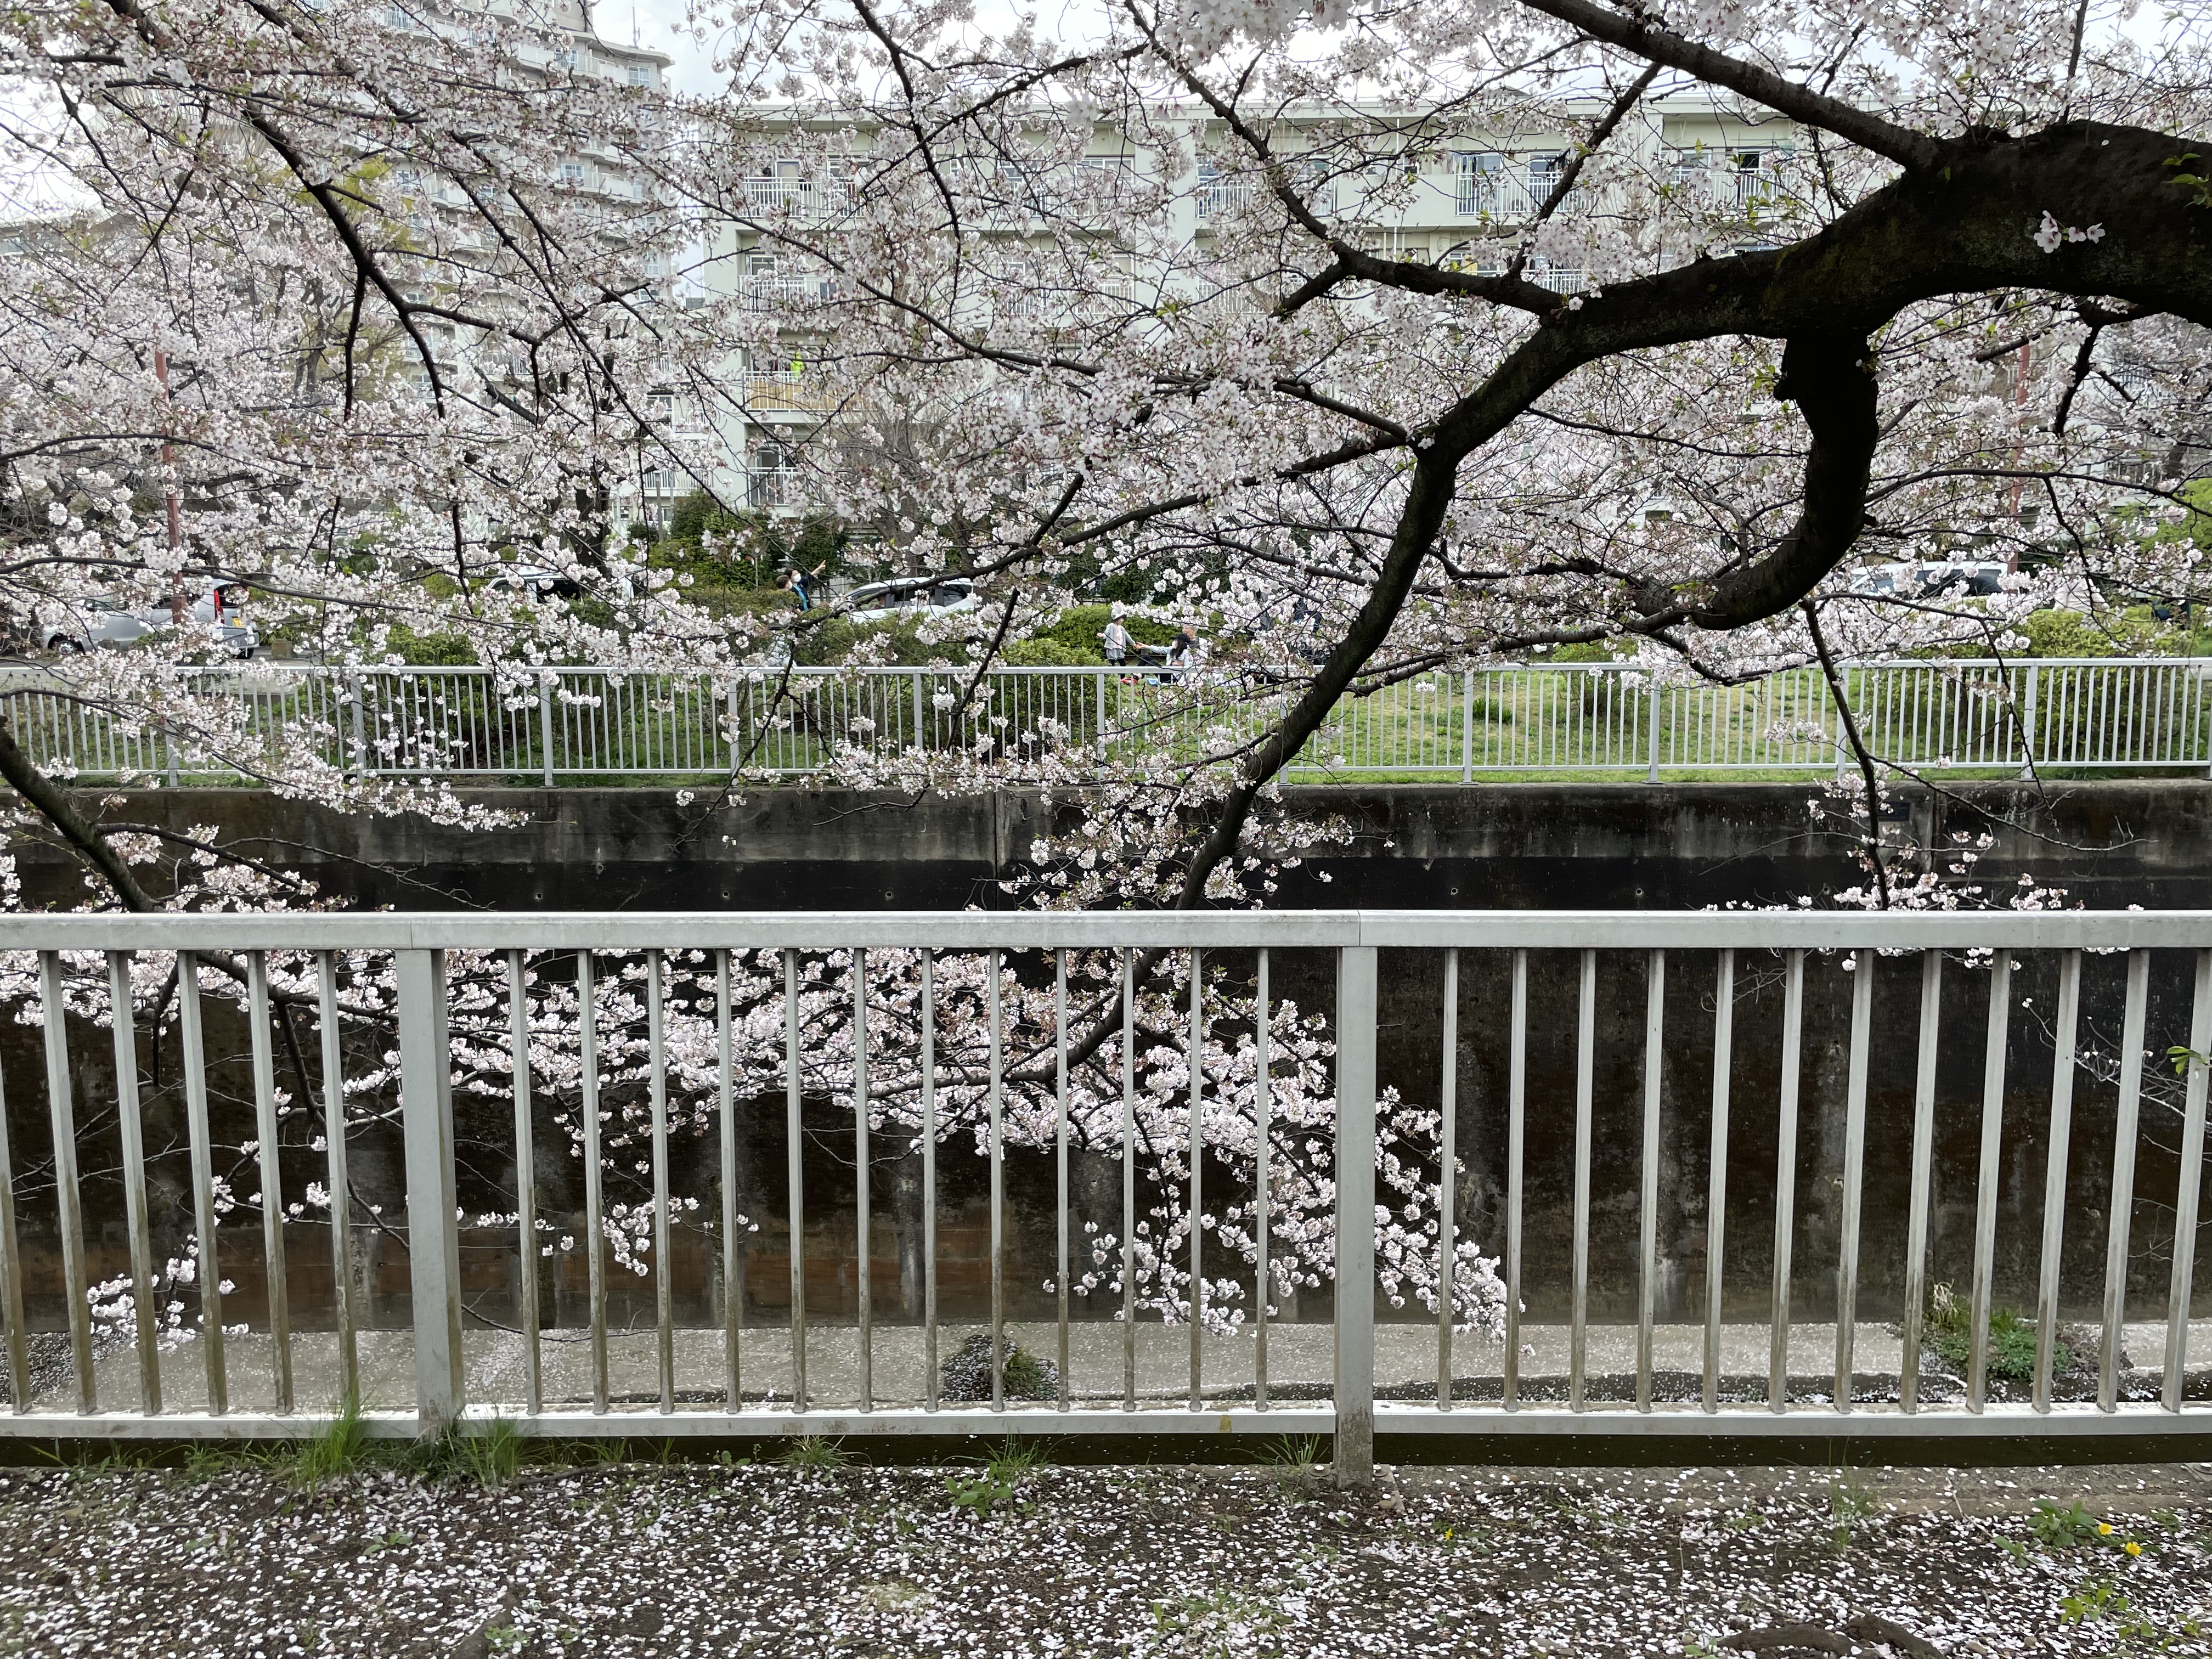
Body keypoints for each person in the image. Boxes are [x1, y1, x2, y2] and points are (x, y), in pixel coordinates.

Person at [1101, 602, 1132, 672]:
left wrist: (1134, 644)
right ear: (1117, 619)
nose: (1122, 620)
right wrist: (1103, 636)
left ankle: (1122, 678)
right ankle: (1111, 677)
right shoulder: (1111, 626)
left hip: (1120, 648)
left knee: (1123, 663)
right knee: (1112, 663)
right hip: (1112, 648)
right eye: (1121, 619)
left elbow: (1127, 636)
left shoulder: (1121, 628)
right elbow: (1107, 634)